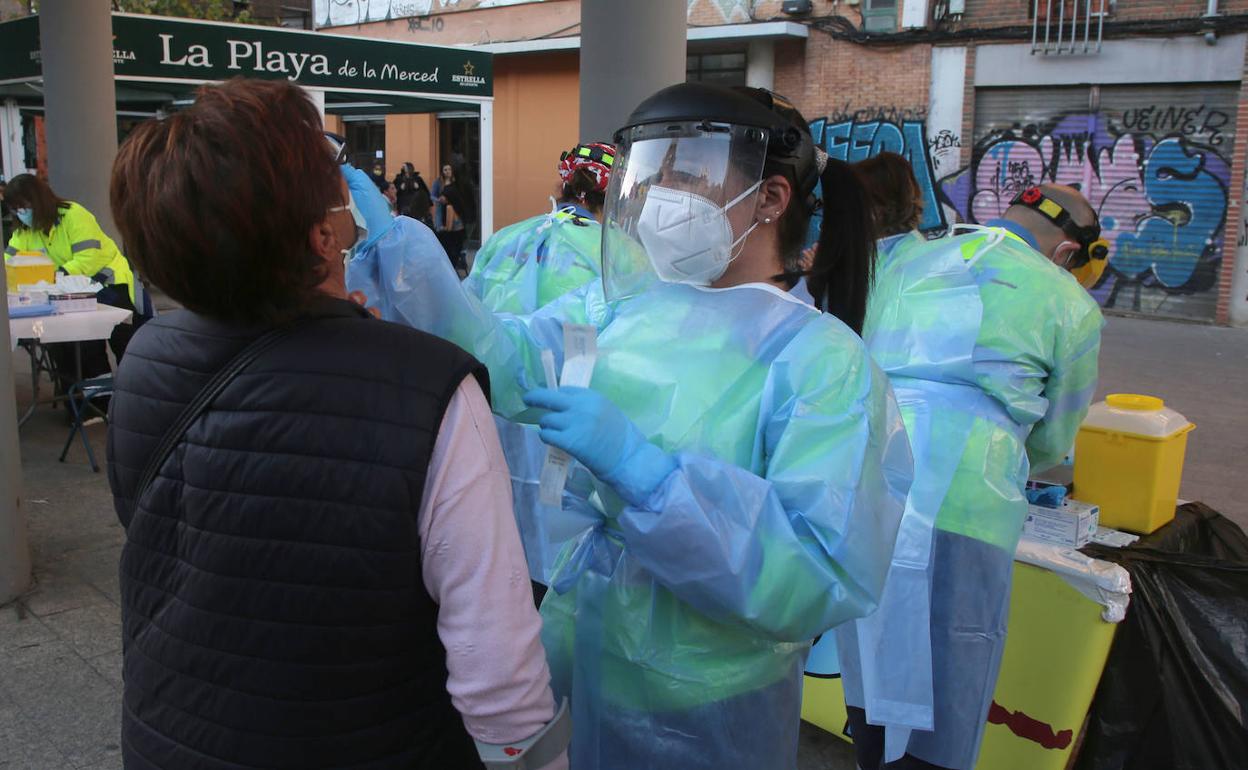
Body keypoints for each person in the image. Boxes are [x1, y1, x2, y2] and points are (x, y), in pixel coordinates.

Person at [346, 82, 911, 769]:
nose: (662, 191)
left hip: (707, 692)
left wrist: (650, 479)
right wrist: (402, 254)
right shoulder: (621, 308)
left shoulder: (824, 361)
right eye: (657, 168)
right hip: (585, 645)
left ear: (770, 198)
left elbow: (822, 572)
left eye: (690, 169)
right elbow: (502, 356)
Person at [106, 78, 567, 770]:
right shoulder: (430, 389)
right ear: (323, 238)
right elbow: (498, 671)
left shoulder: (143, 358)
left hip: (169, 733)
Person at [836, 178, 1105, 770]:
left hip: (870, 484)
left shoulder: (900, 254)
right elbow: (1056, 436)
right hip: (971, 502)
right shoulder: (1069, 302)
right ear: (1067, 254)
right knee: (952, 669)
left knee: (872, 660)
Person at [4, 173, 143, 388]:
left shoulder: (73, 215)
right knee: (79, 347)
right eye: (15, 209)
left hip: (108, 284)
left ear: (38, 200)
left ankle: (137, 392)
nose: (21, 213)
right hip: (68, 295)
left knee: (124, 343)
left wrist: (53, 276)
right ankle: (93, 401)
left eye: (23, 206)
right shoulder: (25, 233)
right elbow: (9, 262)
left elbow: (89, 257)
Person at [465, 142, 615, 314]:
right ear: (611, 199)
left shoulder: (506, 237)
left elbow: (469, 302)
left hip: (493, 340)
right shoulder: (613, 250)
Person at [431, 162, 454, 229]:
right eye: (445, 170)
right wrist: (438, 200)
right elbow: (432, 195)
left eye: (449, 169)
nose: (447, 171)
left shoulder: (455, 181)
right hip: (441, 206)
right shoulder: (438, 182)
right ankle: (440, 227)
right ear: (442, 171)